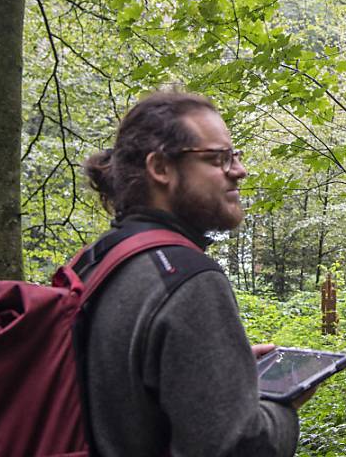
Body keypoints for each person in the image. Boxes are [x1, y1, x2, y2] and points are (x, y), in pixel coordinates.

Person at [79, 91, 304, 456]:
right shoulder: (187, 278)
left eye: (236, 156)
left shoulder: (97, 260)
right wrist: (281, 408)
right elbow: (236, 447)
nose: (239, 170)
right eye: (218, 158)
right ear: (161, 168)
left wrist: (217, 369)